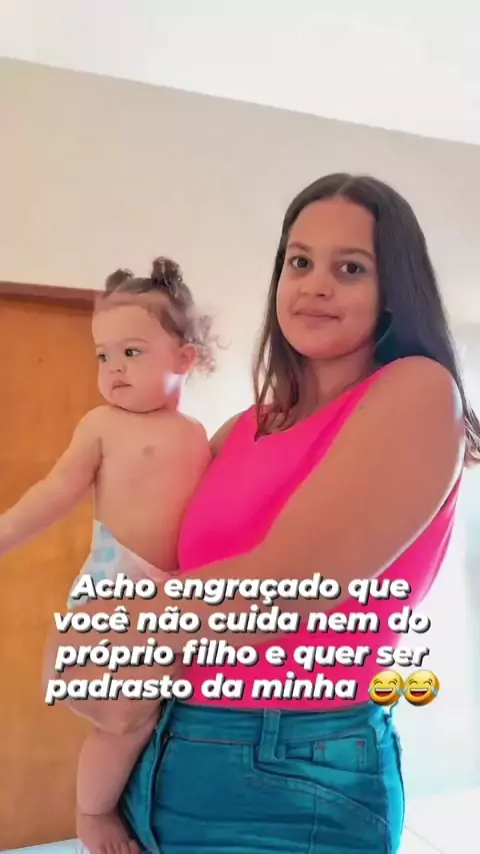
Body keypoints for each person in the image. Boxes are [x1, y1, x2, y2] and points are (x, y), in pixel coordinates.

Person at [44, 173, 480, 854]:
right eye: (299, 262)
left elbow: (287, 589)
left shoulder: (419, 392)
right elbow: (155, 556)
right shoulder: (244, 427)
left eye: (350, 268)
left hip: (291, 769)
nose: (315, 286)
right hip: (165, 746)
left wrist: (109, 628)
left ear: (395, 289)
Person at [0, 257, 215, 854]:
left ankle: (130, 806)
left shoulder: (198, 434)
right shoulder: (103, 424)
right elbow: (53, 492)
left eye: (132, 352)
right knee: (120, 724)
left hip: (173, 592)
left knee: (151, 719)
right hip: (117, 580)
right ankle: (91, 814)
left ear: (184, 359)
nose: (113, 367)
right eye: (103, 355)